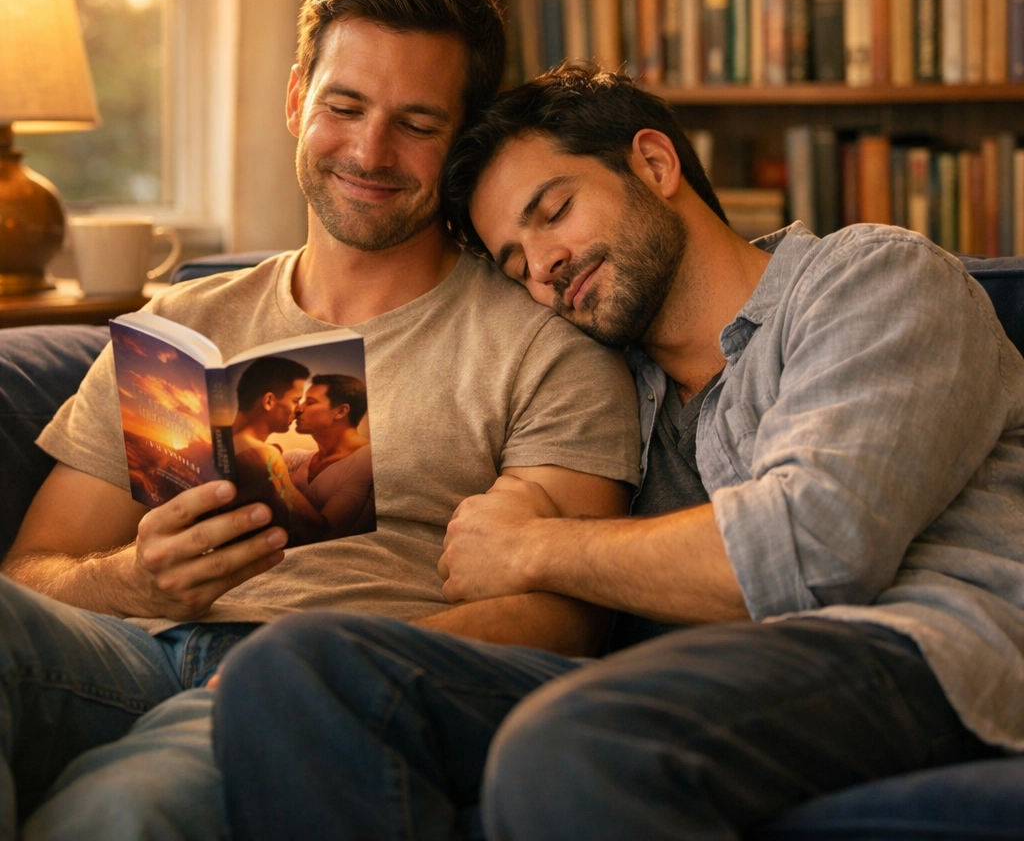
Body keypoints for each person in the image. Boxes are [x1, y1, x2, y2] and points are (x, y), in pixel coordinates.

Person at [212, 64, 1024, 841]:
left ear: (655, 161)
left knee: (572, 744)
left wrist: (536, 546)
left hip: (913, 649)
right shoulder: (603, 383)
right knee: (294, 673)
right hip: (666, 683)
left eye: (554, 211)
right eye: (515, 264)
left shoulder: (874, 279)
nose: (545, 268)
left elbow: (812, 548)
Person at [0, 0, 640, 839]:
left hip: (316, 686)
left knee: (116, 814)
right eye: (344, 108)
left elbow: (565, 616)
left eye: (416, 124)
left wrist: (318, 666)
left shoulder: (543, 340)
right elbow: (32, 569)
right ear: (298, 99)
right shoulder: (179, 324)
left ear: (464, 146)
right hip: (129, 650)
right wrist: (133, 576)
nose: (370, 153)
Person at [229, 357, 328, 541]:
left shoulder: (215, 445)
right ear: (268, 401)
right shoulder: (264, 454)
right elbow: (312, 526)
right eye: (296, 400)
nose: (299, 410)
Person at [284, 373, 375, 538]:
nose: (298, 409)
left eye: (310, 402)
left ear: (340, 411)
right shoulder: (298, 458)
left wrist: (277, 479)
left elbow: (324, 532)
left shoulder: (367, 458)